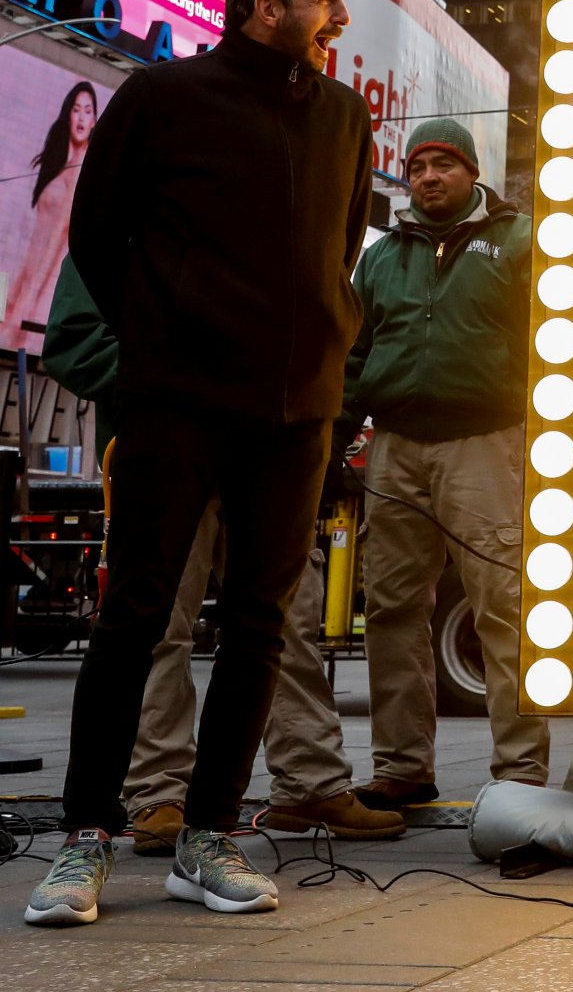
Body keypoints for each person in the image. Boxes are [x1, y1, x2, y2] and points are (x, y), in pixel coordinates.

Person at [27, 0, 369, 927]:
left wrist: (326, 351)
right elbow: (97, 234)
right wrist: (160, 342)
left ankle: (208, 836)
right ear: (266, 7)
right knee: (133, 615)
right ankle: (85, 838)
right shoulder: (161, 99)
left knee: (260, 625)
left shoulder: (345, 117)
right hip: (174, 401)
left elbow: (338, 251)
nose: (337, 16)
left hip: (294, 414)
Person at [40, 257, 404, 853]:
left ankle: (309, 780)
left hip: (264, 443)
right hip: (166, 444)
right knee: (158, 621)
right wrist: (168, 396)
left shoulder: (268, 214)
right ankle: (160, 792)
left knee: (284, 619)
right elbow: (75, 338)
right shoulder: (139, 221)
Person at [344, 117, 547, 810]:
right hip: (394, 445)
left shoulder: (520, 242)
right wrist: (334, 436)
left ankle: (521, 774)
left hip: (487, 441)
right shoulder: (380, 257)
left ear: (472, 172)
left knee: (504, 605)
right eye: (417, 166)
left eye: (443, 164)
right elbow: (353, 353)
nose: (427, 177)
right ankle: (402, 767)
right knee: (394, 610)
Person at [2, 80, 98, 353]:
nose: (81, 116)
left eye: (88, 110)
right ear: (68, 114)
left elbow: (57, 241)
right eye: (76, 109)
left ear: (94, 120)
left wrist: (33, 300)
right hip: (24, 271)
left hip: (41, 281)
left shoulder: (81, 168)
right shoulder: (61, 160)